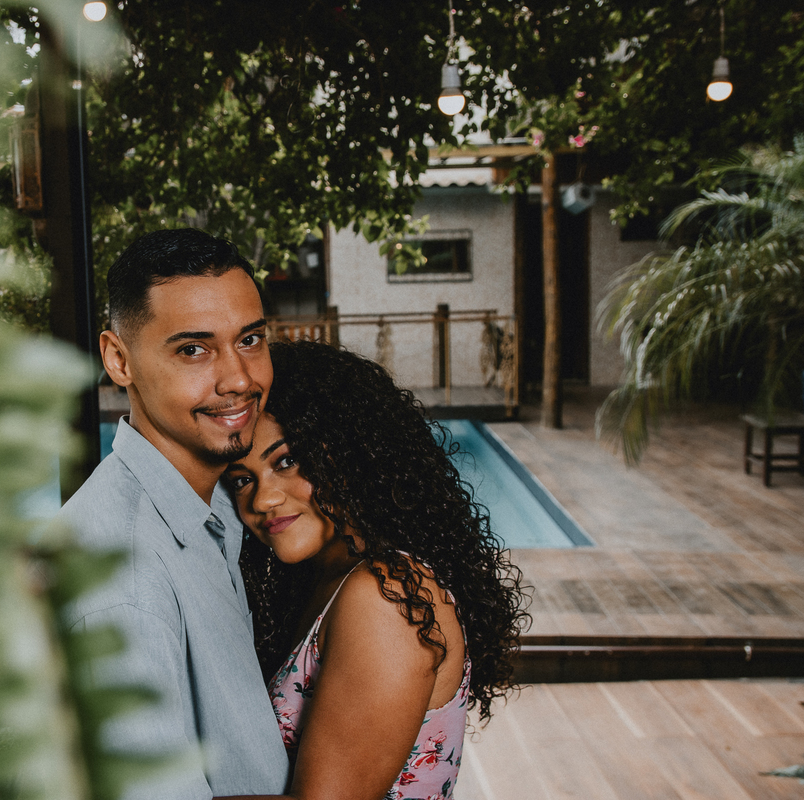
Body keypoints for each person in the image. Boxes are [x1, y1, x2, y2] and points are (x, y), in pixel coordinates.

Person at [220, 340, 528, 800]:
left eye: (287, 461)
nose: (263, 500)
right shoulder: (322, 579)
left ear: (349, 452)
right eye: (242, 479)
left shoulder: (388, 599)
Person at [58, 228, 290, 800]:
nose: (239, 379)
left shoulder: (218, 508)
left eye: (250, 340)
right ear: (119, 360)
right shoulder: (122, 582)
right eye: (193, 350)